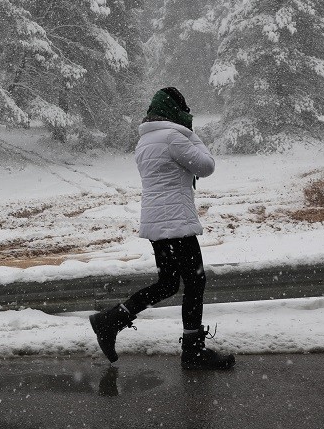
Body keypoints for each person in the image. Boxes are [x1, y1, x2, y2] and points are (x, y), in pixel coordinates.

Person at [89, 87, 235, 370]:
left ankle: (111, 320)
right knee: (195, 282)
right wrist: (192, 135)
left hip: (158, 224)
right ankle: (192, 352)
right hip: (175, 222)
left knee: (168, 283)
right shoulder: (173, 137)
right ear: (174, 111)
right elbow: (206, 166)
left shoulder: (145, 141)